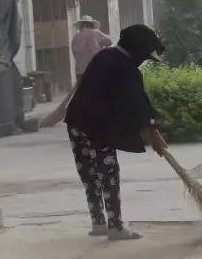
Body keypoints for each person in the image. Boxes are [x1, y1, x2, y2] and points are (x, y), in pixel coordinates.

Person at [64, 24, 169, 241]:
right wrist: (154, 134)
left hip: (76, 122)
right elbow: (139, 104)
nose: (145, 60)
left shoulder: (104, 55)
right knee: (108, 174)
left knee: (90, 174)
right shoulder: (127, 69)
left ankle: (99, 222)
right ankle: (116, 226)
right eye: (145, 56)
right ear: (137, 49)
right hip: (96, 127)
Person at [71, 15, 112, 80]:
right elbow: (110, 41)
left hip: (79, 71)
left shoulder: (75, 37)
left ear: (81, 26)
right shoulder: (95, 32)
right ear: (91, 25)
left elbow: (74, 53)